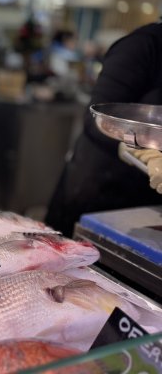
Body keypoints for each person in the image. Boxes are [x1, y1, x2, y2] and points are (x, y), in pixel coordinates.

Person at [46, 21, 162, 237]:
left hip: (149, 208)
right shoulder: (145, 45)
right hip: (99, 193)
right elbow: (95, 119)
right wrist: (145, 153)